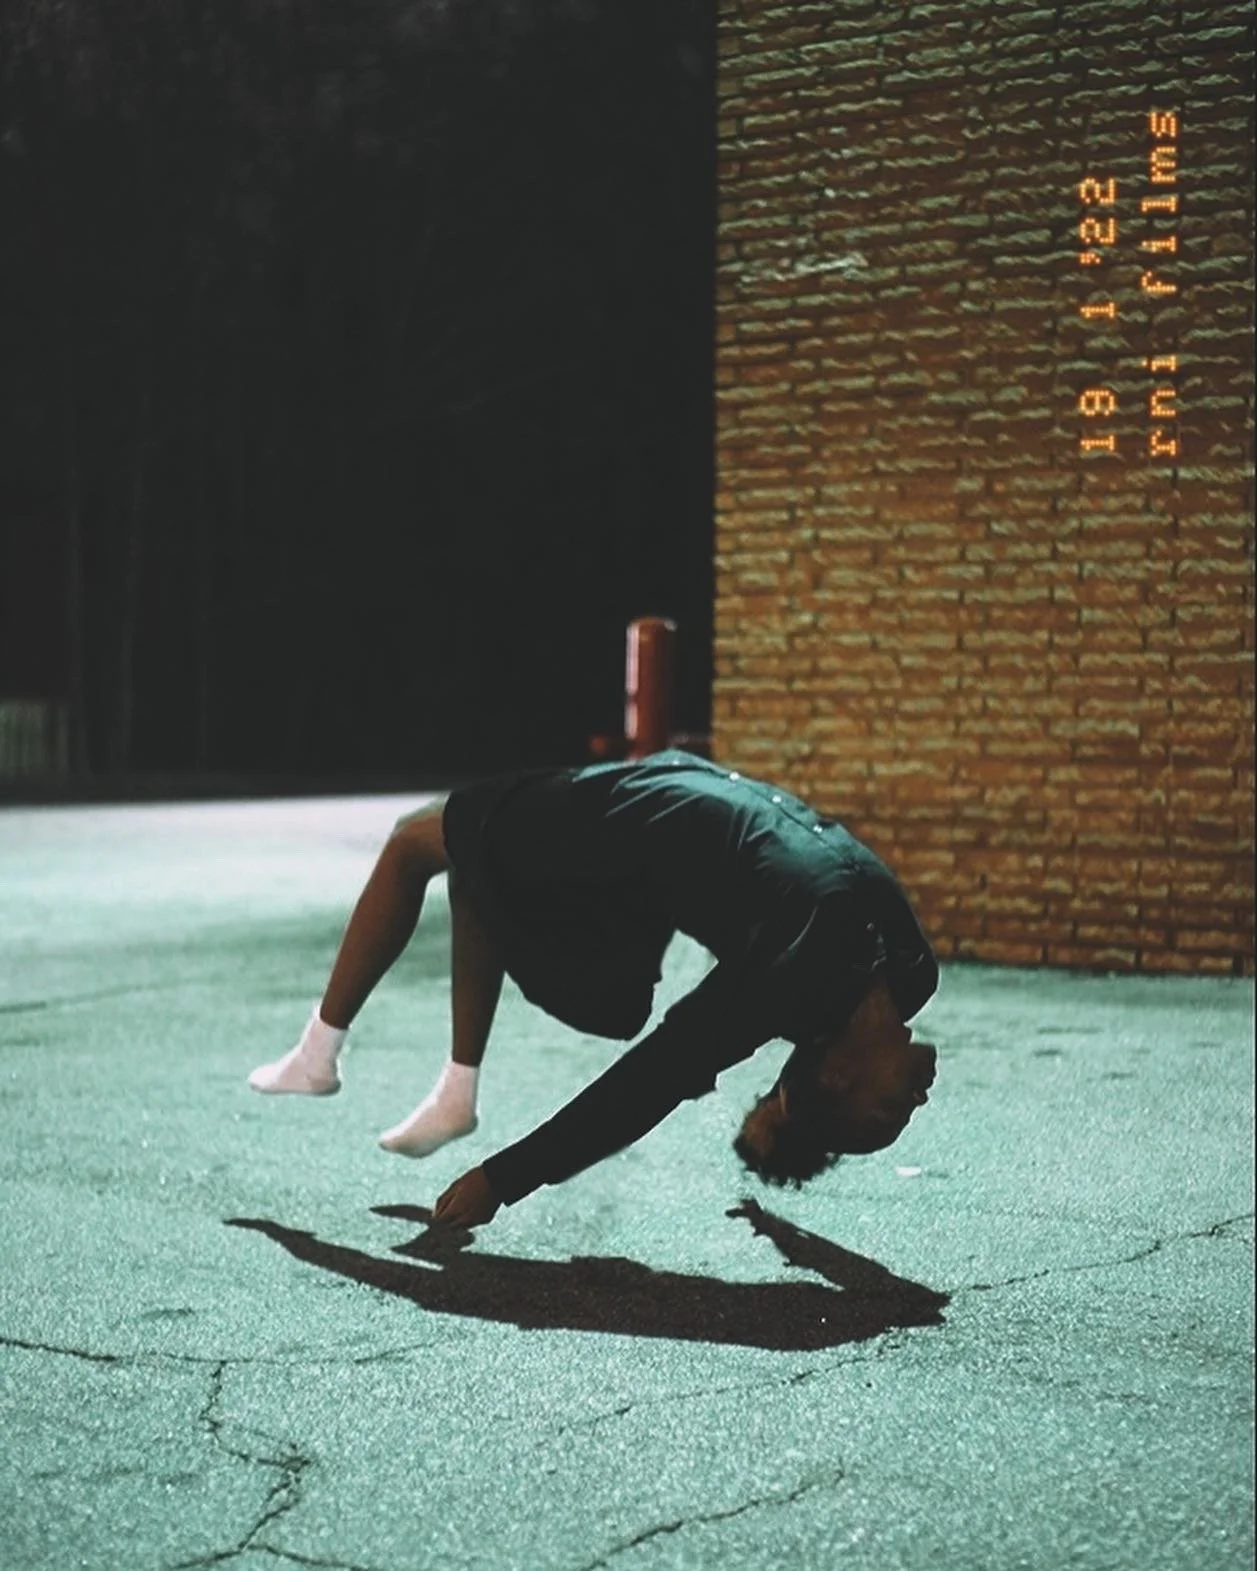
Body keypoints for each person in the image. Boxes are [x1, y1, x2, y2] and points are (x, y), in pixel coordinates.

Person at [247, 749, 940, 1230]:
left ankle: (366, 1068)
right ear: (841, 1069)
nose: (917, 1098)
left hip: (643, 826)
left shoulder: (802, 981)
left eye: (891, 1112)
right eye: (890, 1114)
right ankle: (337, 1059)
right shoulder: (905, 971)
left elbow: (651, 1079)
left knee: (444, 852)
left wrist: (503, 1179)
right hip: (656, 803)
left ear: (838, 1070)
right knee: (423, 844)